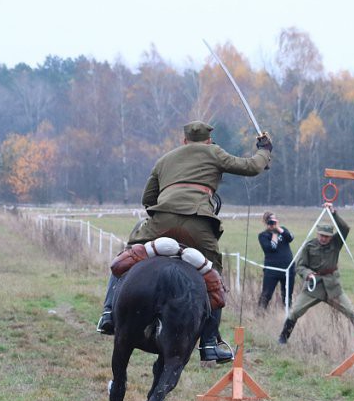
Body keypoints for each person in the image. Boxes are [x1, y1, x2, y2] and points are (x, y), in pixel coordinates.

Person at [97, 120, 272, 364]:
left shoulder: (165, 159)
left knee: (128, 254)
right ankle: (210, 343)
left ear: (184, 140)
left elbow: (147, 198)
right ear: (208, 140)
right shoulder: (214, 152)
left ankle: (107, 313)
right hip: (198, 225)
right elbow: (252, 167)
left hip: (161, 221)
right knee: (214, 275)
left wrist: (162, 213)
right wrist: (264, 149)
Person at [277, 202, 354, 343]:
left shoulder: (336, 243)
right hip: (313, 286)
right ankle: (283, 338)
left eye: (327, 236)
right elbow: (300, 266)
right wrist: (308, 274)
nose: (324, 238)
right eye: (321, 235)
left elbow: (344, 228)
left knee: (352, 313)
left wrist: (334, 212)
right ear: (318, 234)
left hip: (333, 287)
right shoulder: (309, 246)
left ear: (331, 237)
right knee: (294, 312)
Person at [257, 211, 295, 309]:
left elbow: (291, 238)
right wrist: (274, 233)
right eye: (270, 221)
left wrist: (278, 229)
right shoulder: (263, 236)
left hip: (288, 269)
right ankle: (259, 314)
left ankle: (287, 316)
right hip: (272, 271)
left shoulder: (283, 230)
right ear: (266, 222)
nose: (272, 223)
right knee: (266, 294)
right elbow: (272, 247)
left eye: (274, 220)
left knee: (287, 296)